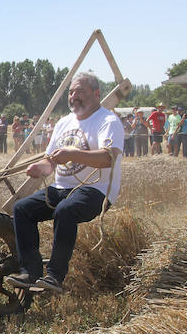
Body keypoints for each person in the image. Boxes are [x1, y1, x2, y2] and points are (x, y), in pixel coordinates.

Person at [6, 72, 123, 293]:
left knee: (65, 210)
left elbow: (109, 158)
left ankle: (54, 277)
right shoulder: (63, 123)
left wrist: (72, 153)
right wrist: (39, 168)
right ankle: (30, 272)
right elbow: (50, 162)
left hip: (95, 190)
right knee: (21, 209)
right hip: (61, 188)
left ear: (96, 94)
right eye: (71, 92)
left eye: (80, 91)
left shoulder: (108, 121)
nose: (74, 96)